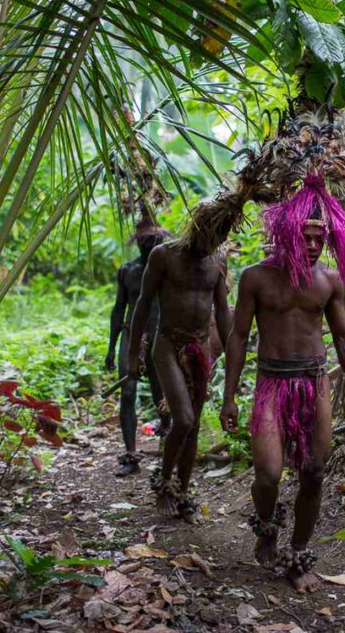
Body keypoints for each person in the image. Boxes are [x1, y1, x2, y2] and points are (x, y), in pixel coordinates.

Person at [220, 173, 345, 593]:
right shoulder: (256, 277)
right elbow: (237, 337)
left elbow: (342, 336)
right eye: (304, 236)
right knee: (268, 474)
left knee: (315, 471)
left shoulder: (328, 280)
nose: (311, 244)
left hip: (314, 381)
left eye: (318, 238)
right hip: (271, 383)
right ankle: (267, 525)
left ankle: (299, 552)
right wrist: (230, 397)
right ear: (287, 233)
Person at [125, 235, 231, 523]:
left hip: (201, 345)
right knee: (183, 420)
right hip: (168, 344)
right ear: (197, 230)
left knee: (194, 426)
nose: (211, 244)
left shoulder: (218, 258)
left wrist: (233, 349)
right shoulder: (164, 255)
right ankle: (164, 483)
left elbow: (221, 309)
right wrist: (133, 353)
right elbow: (144, 304)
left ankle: (183, 494)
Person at [105, 217, 170, 476]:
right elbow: (118, 310)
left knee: (160, 396)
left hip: (160, 337)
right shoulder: (129, 271)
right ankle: (131, 456)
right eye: (147, 241)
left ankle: (168, 448)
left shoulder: (168, 272)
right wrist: (111, 347)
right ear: (139, 244)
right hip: (131, 336)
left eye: (156, 240)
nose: (152, 245)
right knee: (128, 393)